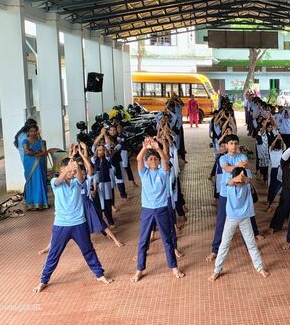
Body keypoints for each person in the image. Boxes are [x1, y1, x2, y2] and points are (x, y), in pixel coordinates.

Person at [33, 157, 113, 293]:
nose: (71, 173)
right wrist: (68, 169)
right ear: (62, 170)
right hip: (61, 225)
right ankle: (43, 281)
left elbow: (82, 179)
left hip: (79, 223)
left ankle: (99, 275)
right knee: (53, 254)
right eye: (68, 170)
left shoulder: (77, 182)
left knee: (88, 250)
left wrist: (75, 167)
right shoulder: (55, 182)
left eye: (73, 171)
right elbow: (59, 179)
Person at [131, 137, 185, 283]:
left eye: (155, 159)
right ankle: (139, 270)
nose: (153, 161)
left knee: (167, 240)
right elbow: (138, 159)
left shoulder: (163, 172)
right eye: (151, 160)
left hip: (161, 209)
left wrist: (157, 148)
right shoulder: (144, 173)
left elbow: (165, 160)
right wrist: (145, 147)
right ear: (147, 163)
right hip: (147, 210)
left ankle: (173, 267)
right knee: (143, 241)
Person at [209, 167, 270, 281]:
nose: (239, 183)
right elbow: (230, 181)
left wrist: (243, 177)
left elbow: (248, 181)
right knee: (224, 245)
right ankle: (217, 270)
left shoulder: (247, 186)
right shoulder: (228, 187)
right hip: (231, 220)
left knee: (251, 245)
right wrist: (238, 177)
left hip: (245, 219)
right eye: (238, 181)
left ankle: (259, 268)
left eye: (241, 181)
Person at [22, 124, 49, 210]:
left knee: (40, 181)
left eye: (35, 131)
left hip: (40, 165)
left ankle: (41, 203)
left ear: (37, 132)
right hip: (29, 165)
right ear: (28, 132)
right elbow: (27, 152)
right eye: (31, 131)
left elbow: (45, 153)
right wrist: (38, 153)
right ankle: (31, 203)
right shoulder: (25, 142)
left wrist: (34, 152)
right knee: (31, 182)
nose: (33, 133)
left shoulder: (42, 142)